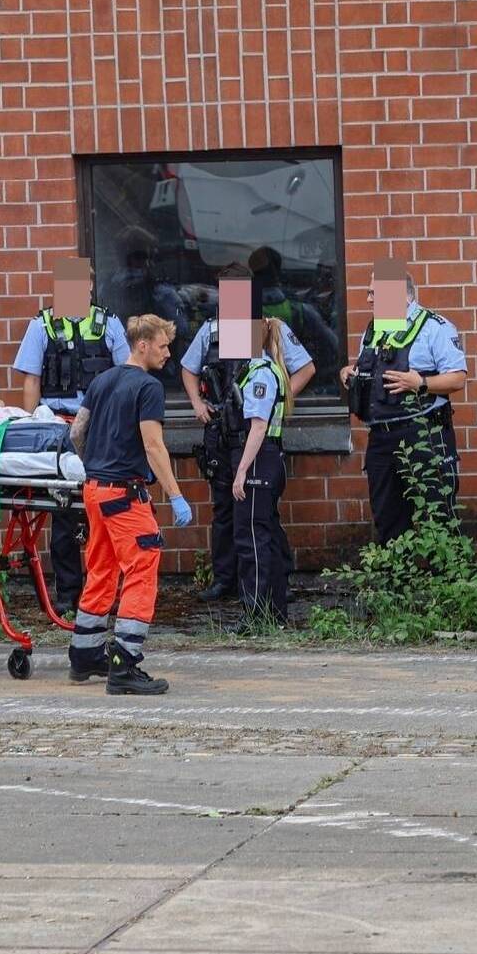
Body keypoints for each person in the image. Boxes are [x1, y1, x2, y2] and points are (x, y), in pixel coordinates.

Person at [67, 313, 190, 695]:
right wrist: (176, 494)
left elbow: (76, 433)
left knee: (101, 568)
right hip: (123, 494)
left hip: (94, 490)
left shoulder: (102, 380)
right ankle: (124, 663)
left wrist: (96, 465)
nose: (168, 353)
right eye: (163, 345)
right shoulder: (148, 387)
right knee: (141, 568)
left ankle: (85, 653)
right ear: (143, 345)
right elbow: (153, 445)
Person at [180, 287, 314, 603]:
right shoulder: (212, 330)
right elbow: (188, 368)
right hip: (220, 432)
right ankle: (228, 581)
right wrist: (198, 403)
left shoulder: (266, 338)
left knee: (259, 514)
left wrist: (276, 402)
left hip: (252, 437)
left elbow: (306, 368)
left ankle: (271, 586)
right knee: (226, 510)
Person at [11, 277, 131, 612]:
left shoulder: (109, 324)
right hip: (57, 427)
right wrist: (29, 426)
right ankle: (68, 594)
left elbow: (127, 376)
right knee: (63, 511)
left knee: (104, 510)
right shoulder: (41, 325)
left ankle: (102, 592)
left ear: (91, 290)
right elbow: (32, 380)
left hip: (99, 426)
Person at [339, 258, 469, 544]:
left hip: (424, 433)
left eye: (375, 292)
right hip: (382, 439)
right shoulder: (373, 330)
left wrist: (420, 383)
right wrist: (352, 373)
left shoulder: (435, 327)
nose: (369, 298)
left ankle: (447, 584)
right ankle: (398, 587)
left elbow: (458, 378)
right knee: (387, 518)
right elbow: (372, 371)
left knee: (439, 514)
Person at [231, 315, 294, 626]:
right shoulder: (262, 368)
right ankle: (275, 613)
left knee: (252, 538)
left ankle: (257, 616)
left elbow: (258, 426)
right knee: (264, 534)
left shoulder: (261, 373)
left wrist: (242, 470)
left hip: (259, 458)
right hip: (268, 457)